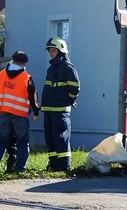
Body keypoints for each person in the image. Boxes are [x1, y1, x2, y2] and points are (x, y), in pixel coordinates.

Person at [0, 50, 40, 176]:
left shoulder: (1, 75)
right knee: (23, 142)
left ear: (12, 60)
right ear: (25, 63)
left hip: (2, 113)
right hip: (19, 115)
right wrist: (36, 112)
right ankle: (19, 169)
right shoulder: (26, 77)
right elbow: (32, 97)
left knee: (2, 142)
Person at [42, 37, 80, 172]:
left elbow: (75, 87)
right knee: (50, 139)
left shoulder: (68, 68)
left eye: (53, 50)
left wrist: (69, 99)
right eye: (50, 51)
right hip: (48, 110)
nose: (51, 53)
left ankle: (63, 166)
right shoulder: (51, 68)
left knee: (61, 138)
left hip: (60, 110)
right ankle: (53, 165)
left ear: (61, 51)